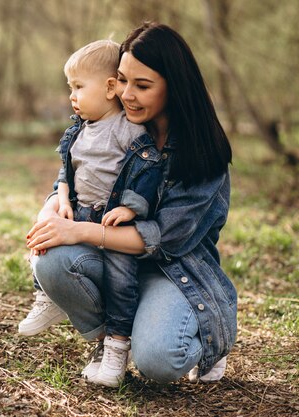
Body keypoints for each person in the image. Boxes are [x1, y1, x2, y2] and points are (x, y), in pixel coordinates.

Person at [25, 21, 236, 387]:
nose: (126, 94)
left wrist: (79, 229)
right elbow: (81, 178)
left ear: (174, 87)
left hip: (173, 271)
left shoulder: (202, 152)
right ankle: (111, 342)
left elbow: (165, 239)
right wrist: (53, 208)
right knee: (52, 260)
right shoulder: (113, 124)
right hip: (115, 262)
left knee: (158, 362)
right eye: (121, 80)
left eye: (142, 85)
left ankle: (203, 338)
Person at [17, 39, 165, 387]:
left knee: (120, 283)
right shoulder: (78, 130)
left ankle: (115, 349)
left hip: (111, 221)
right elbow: (67, 171)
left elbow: (148, 170)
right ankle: (47, 295)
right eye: (71, 88)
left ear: (110, 88)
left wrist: (132, 207)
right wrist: (61, 199)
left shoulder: (129, 131)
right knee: (44, 242)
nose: (72, 96)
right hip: (80, 211)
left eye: (79, 87)